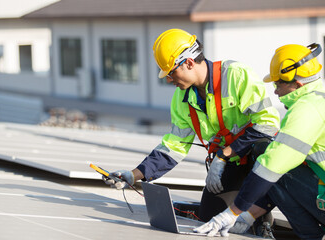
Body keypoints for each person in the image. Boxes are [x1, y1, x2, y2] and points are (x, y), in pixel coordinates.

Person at [103, 28, 280, 222]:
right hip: (231, 163)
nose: (169, 80)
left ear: (188, 63)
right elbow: (174, 146)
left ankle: (262, 220)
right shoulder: (182, 98)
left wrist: (222, 156)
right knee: (209, 216)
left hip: (259, 159)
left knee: (264, 150)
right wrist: (134, 175)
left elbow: (268, 124)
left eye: (171, 73)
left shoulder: (236, 75)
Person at [194, 43, 325, 240]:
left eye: (278, 84)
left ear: (297, 83)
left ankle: (310, 235)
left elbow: (272, 167)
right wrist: (249, 215)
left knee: (266, 158)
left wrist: (233, 212)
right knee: (271, 162)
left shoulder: (307, 110)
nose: (275, 92)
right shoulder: (317, 100)